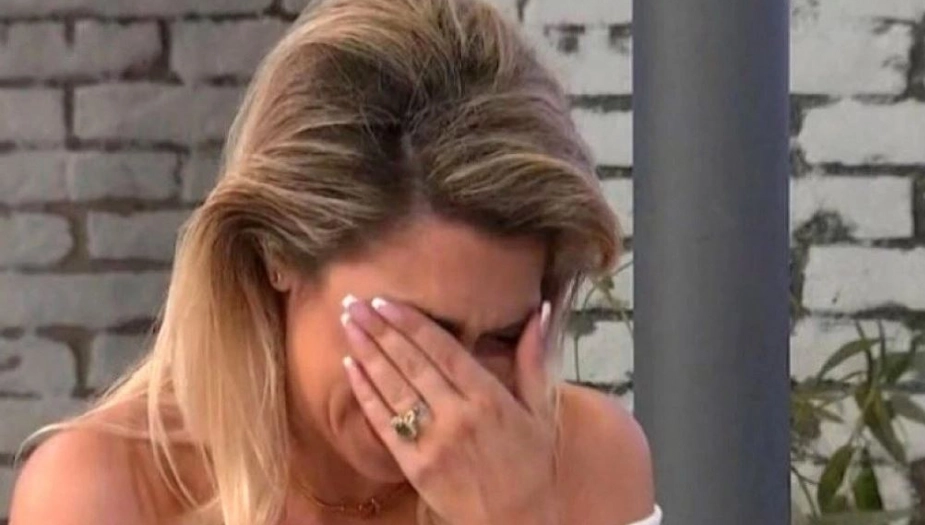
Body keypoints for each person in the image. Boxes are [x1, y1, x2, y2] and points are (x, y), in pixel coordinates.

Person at [9, 0, 661, 523]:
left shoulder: (589, 459)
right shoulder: (104, 490)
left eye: (501, 337)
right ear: (277, 253)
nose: (457, 396)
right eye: (414, 331)